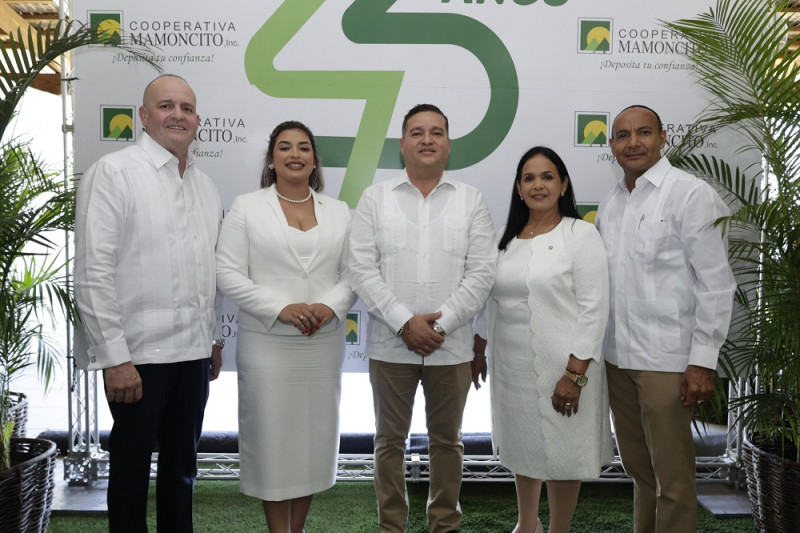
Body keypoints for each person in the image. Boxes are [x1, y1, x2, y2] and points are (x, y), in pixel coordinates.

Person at [74, 73, 223, 532]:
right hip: (136, 360)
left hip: (193, 356)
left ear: (197, 120)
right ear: (143, 115)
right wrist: (115, 358)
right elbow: (92, 274)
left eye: (187, 107)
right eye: (165, 105)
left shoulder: (205, 186)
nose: (177, 114)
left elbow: (205, 272)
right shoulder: (115, 173)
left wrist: (212, 339)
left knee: (182, 471)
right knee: (131, 474)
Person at [349, 104, 497, 533]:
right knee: (388, 443)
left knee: (448, 443)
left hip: (450, 348)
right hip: (389, 344)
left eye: (436, 132)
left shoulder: (471, 200)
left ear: (448, 142)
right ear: (403, 144)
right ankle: (392, 526)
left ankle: (444, 524)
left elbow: (483, 271)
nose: (427, 139)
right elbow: (361, 268)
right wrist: (403, 323)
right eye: (417, 132)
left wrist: (440, 324)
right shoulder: (376, 199)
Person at [596, 105, 736, 532]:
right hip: (618, 359)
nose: (632, 142)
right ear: (612, 146)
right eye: (622, 135)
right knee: (641, 474)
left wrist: (701, 360)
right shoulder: (612, 201)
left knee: (673, 482)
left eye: (642, 132)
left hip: (669, 362)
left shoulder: (690, 194)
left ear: (663, 136)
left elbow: (716, 283)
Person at [216, 121, 356, 533]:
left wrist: (329, 307)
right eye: (284, 147)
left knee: (311, 444)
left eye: (304, 147)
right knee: (274, 446)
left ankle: (298, 529)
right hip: (268, 345)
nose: (294, 154)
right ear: (271, 158)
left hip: (322, 345)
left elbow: (354, 273)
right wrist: (282, 307)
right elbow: (227, 273)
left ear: (314, 160)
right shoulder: (246, 207)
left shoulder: (340, 211)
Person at [481, 146, 613, 533]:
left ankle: (558, 529)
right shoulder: (504, 242)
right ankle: (527, 524)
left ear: (563, 184)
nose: (538, 184)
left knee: (561, 451)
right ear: (518, 189)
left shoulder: (581, 234)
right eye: (529, 178)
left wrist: (574, 376)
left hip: (565, 367)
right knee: (523, 444)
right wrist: (477, 347)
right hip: (512, 367)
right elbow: (488, 301)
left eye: (547, 176)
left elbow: (594, 309)